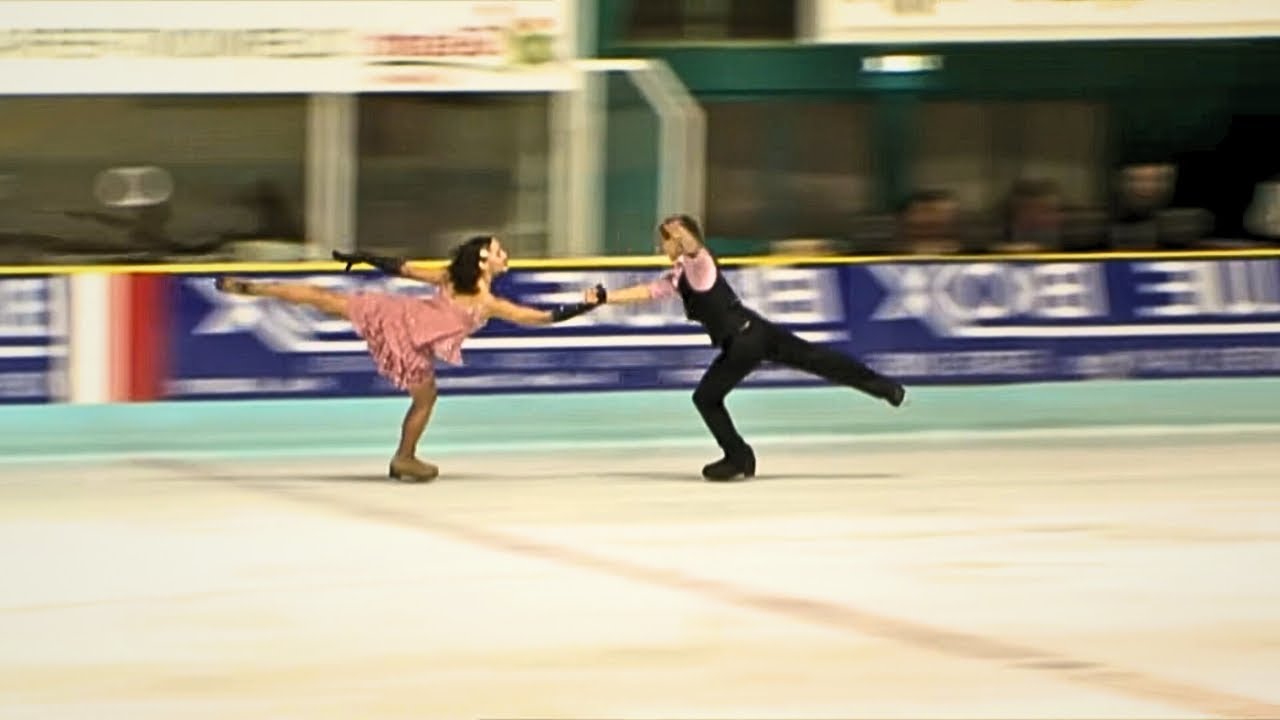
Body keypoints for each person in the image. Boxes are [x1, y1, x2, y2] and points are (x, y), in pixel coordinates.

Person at [214, 235, 603, 482]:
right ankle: (404, 458)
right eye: (500, 251)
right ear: (485, 261)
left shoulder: (450, 278)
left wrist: (365, 255)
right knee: (426, 398)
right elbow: (539, 318)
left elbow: (402, 268)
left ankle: (254, 287)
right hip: (409, 337)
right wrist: (584, 307)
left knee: (324, 297)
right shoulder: (486, 302)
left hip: (394, 316)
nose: (506, 256)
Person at [585, 215, 906, 481]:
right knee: (817, 358)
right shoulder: (679, 276)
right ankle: (886, 387)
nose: (661, 245)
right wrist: (606, 299)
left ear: (681, 238)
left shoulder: (699, 265)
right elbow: (647, 291)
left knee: (706, 398)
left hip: (743, 341)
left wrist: (682, 235)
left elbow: (696, 251)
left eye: (666, 239)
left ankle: (739, 457)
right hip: (754, 331)